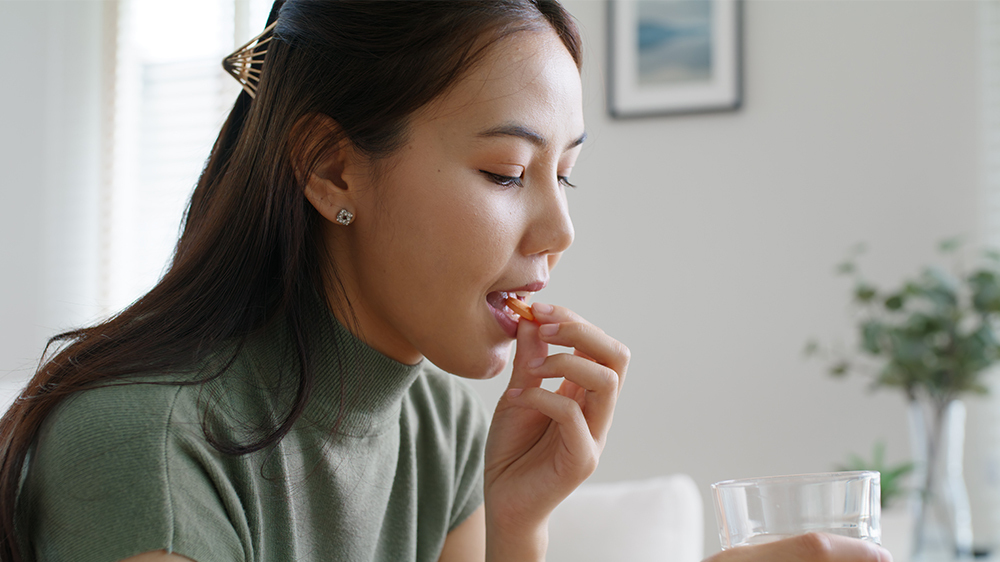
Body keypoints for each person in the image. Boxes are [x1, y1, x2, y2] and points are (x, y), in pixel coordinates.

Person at [0, 2, 891, 562]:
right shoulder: (145, 444)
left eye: (565, 173)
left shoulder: (435, 427)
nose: (561, 229)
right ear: (331, 170)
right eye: (507, 171)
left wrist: (518, 526)